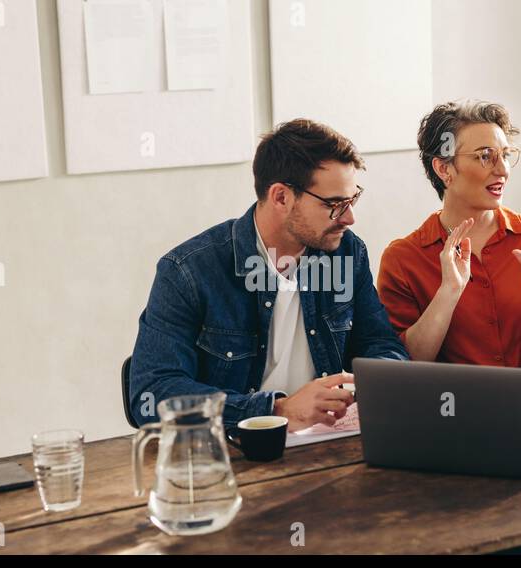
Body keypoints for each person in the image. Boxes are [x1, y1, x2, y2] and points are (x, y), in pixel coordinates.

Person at [127, 119, 407, 430]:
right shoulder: (188, 271)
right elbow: (151, 396)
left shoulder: (346, 253)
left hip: (325, 444)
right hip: (232, 452)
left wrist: (370, 383)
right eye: (335, 204)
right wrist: (277, 409)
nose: (350, 217)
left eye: (352, 199)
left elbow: (381, 344)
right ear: (281, 197)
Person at [377, 100, 521, 366]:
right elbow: (403, 364)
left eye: (505, 155)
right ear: (443, 168)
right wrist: (448, 292)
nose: (503, 170)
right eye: (485, 156)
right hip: (452, 405)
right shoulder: (403, 259)